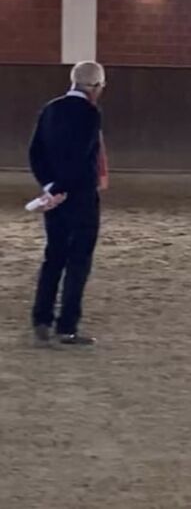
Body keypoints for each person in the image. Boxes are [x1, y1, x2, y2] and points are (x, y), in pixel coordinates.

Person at [28, 61, 108, 346]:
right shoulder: (90, 114)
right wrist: (63, 188)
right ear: (95, 87)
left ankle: (41, 318)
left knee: (54, 256)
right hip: (81, 196)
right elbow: (81, 156)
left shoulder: (50, 109)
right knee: (78, 261)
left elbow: (35, 152)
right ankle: (67, 327)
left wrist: (50, 187)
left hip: (54, 198)